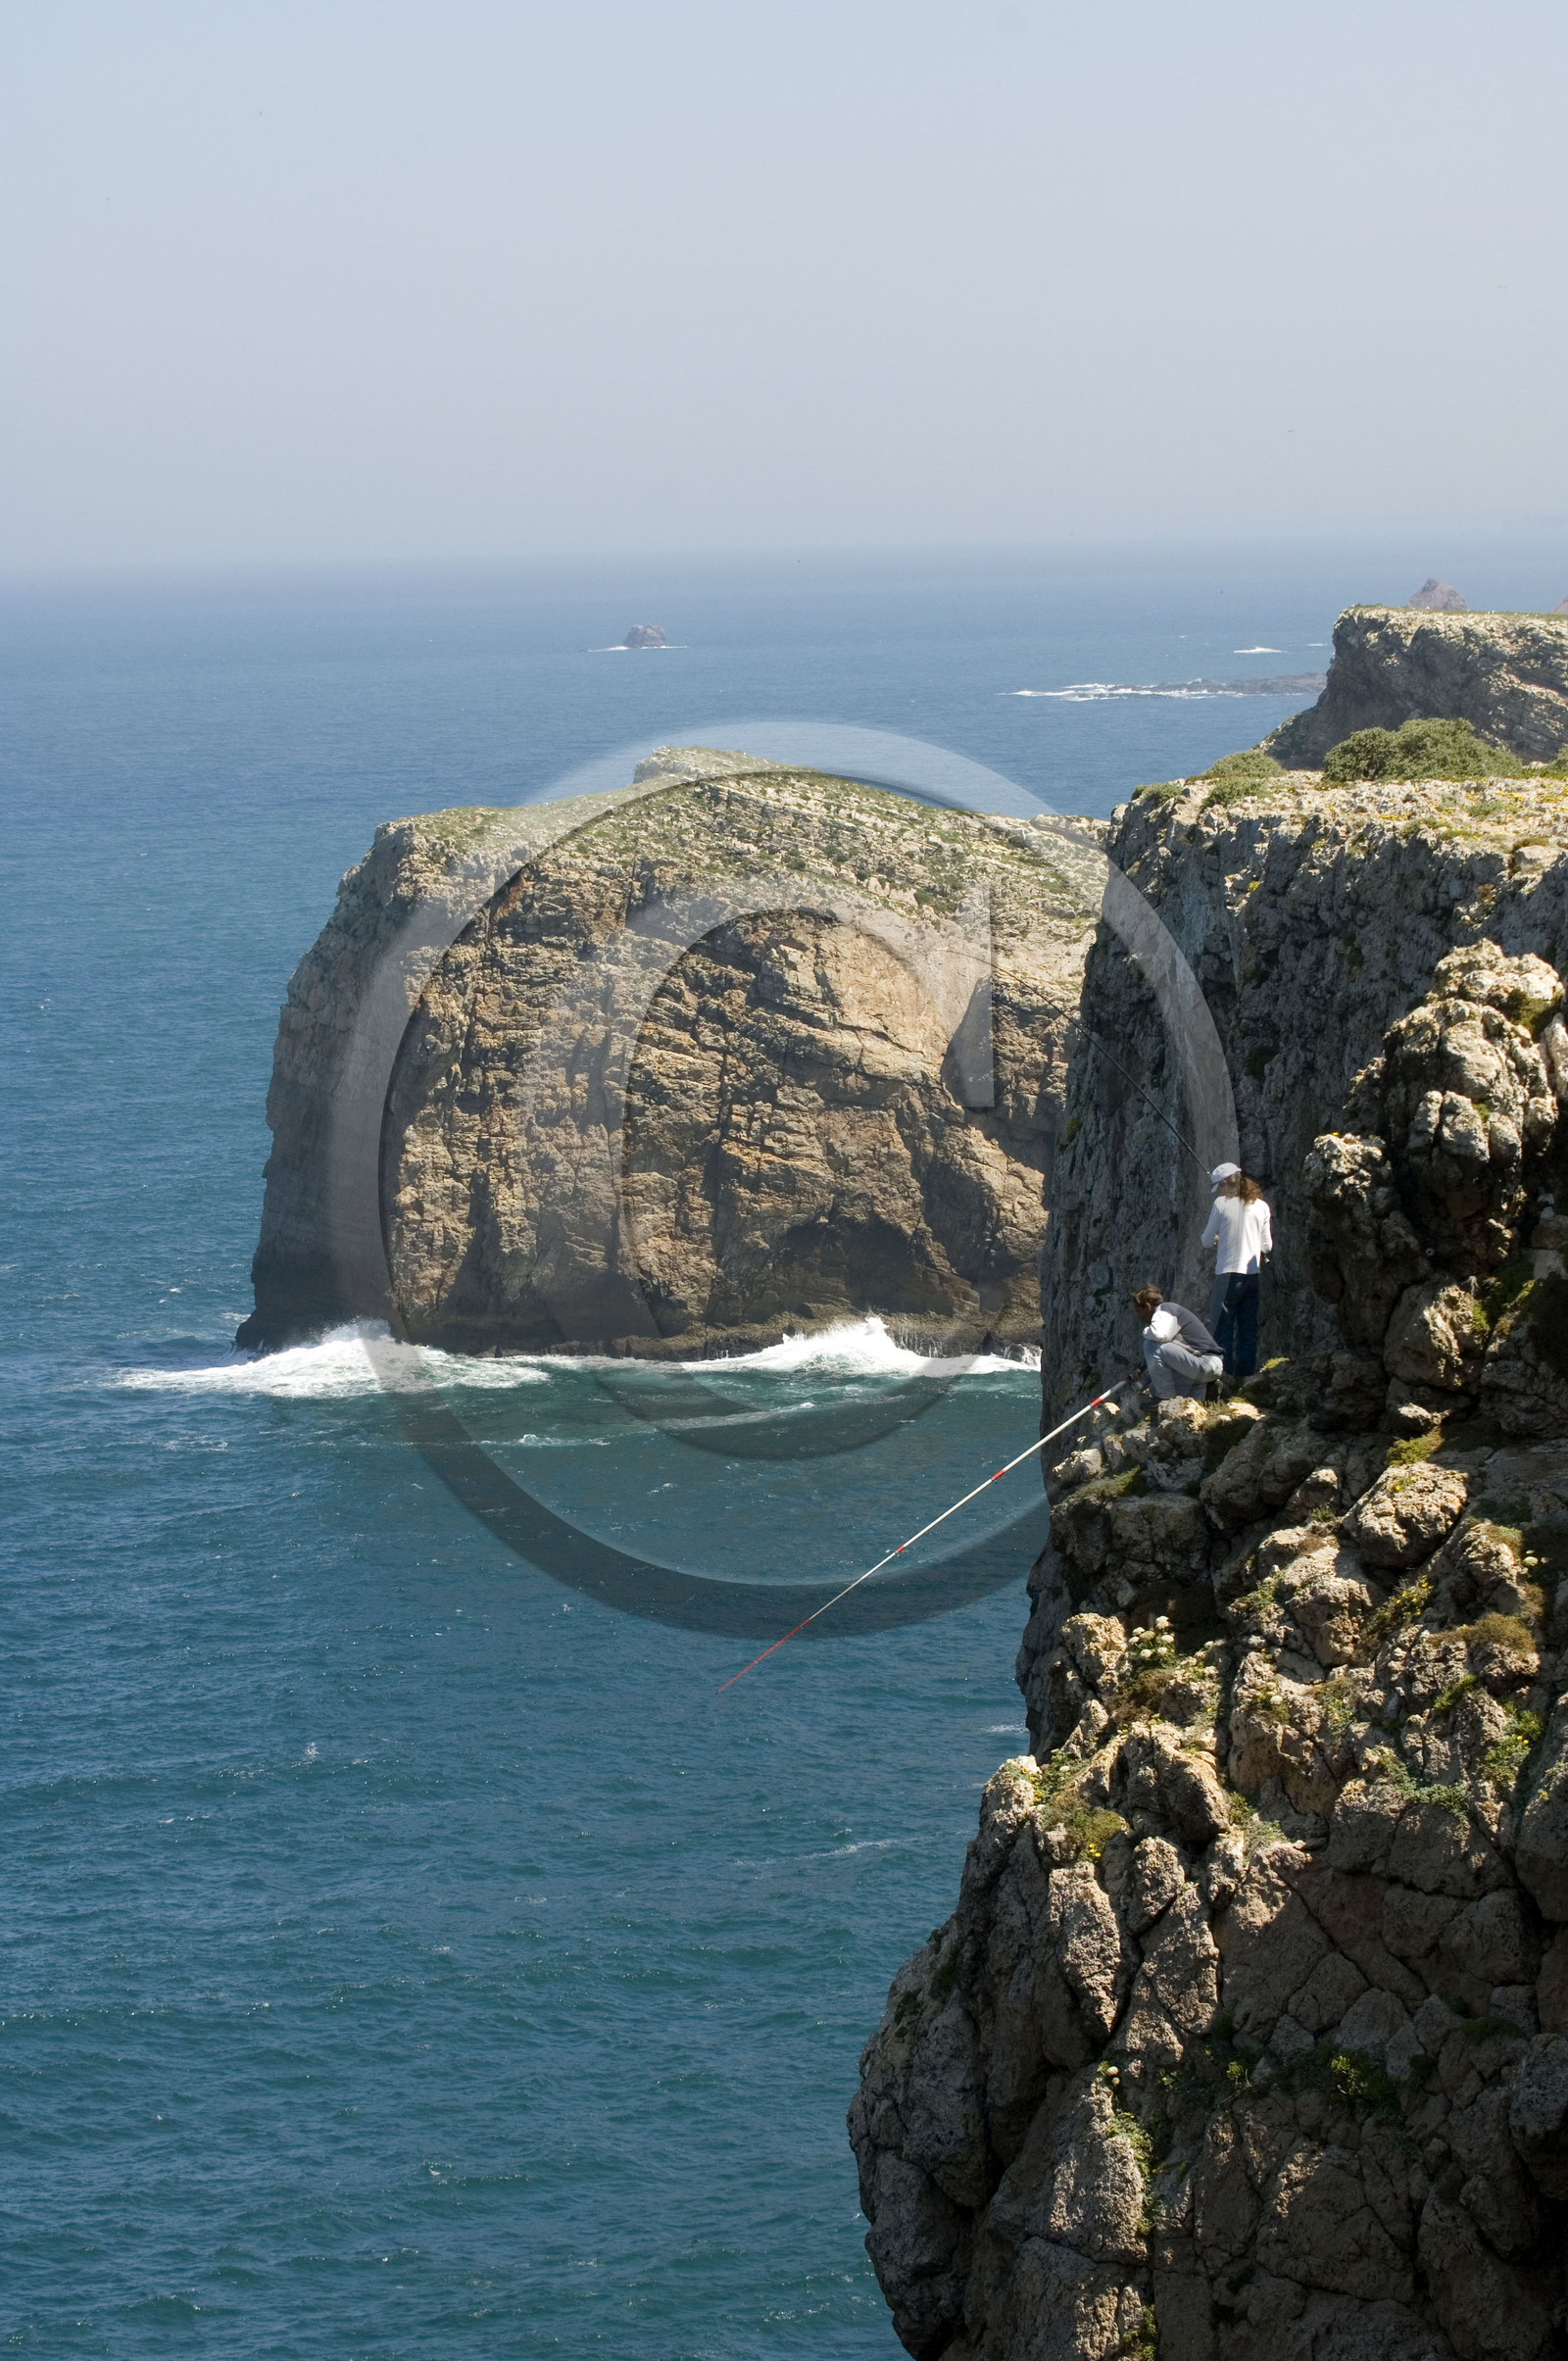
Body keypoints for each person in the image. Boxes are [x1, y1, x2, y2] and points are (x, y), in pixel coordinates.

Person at [1200, 1161, 1273, 1380]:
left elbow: (1205, 1240)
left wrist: (1218, 1239)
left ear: (1224, 1185)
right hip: (1252, 1276)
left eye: (1219, 1187)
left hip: (1227, 1276)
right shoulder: (1262, 1206)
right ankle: (1246, 1379)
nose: (1219, 1192)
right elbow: (1267, 1246)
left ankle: (1225, 1379)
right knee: (1247, 1331)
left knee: (1222, 1330)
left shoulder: (1221, 1204)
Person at [1131, 1284, 1225, 1402]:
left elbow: (1158, 1335)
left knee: (1150, 1345)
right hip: (1206, 1366)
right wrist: (1142, 1370)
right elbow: (1161, 1359)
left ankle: (1164, 1399)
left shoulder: (1165, 1311)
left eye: (1138, 1311)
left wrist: (1145, 1332)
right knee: (1154, 1387)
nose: (1139, 1316)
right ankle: (1208, 1390)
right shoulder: (1167, 1318)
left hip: (1207, 1363)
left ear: (1148, 1306)